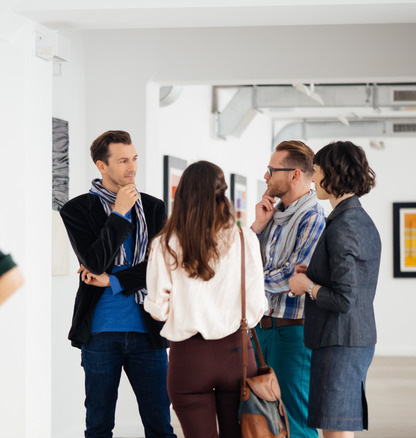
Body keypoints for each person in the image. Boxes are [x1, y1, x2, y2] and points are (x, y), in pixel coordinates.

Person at [60, 130, 175, 438]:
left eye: (134, 158)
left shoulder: (153, 208)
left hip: (147, 330)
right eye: (123, 160)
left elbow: (160, 267)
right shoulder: (76, 210)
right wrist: (120, 213)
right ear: (101, 166)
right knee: (98, 427)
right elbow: (94, 261)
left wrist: (112, 279)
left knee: (160, 427)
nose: (132, 167)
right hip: (99, 332)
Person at [144, 161, 267, 438]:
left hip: (189, 358)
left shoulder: (165, 244)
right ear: (222, 194)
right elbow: (257, 308)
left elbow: (158, 311)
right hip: (237, 354)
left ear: (183, 196)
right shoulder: (245, 239)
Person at [288, 141, 381, 438]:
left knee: (335, 429)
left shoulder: (344, 224)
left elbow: (343, 298)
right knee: (339, 425)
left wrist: (307, 285)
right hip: (349, 338)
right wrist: (313, 274)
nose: (312, 178)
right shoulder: (355, 219)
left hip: (339, 339)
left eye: (315, 171)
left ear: (332, 172)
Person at [250, 140, 326, 438]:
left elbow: (290, 277)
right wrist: (256, 227)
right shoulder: (272, 214)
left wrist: (252, 278)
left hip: (293, 333)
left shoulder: (312, 218)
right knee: (265, 420)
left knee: (295, 420)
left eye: (271, 170)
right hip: (261, 330)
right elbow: (247, 262)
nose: (266, 177)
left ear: (295, 175)